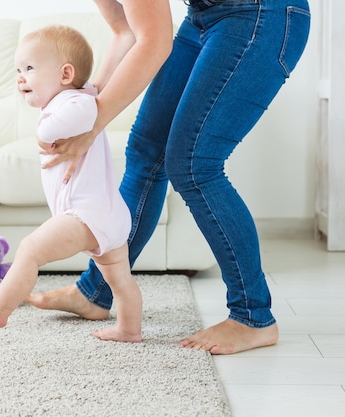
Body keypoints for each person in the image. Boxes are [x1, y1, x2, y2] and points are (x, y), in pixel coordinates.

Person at [26, 0, 311, 354]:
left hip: (260, 15)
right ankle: (96, 292)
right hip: (202, 18)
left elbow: (153, 42)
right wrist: (83, 103)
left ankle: (252, 316)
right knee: (146, 155)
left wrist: (94, 123)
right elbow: (124, 31)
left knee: (194, 163)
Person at [0, 25, 144, 343]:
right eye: (18, 69)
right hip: (105, 214)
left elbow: (86, 114)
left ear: (65, 73)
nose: (20, 77)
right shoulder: (75, 97)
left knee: (30, 249)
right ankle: (129, 329)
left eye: (29, 68)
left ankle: (0, 308)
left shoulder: (73, 100)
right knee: (120, 280)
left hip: (85, 215)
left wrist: (44, 132)